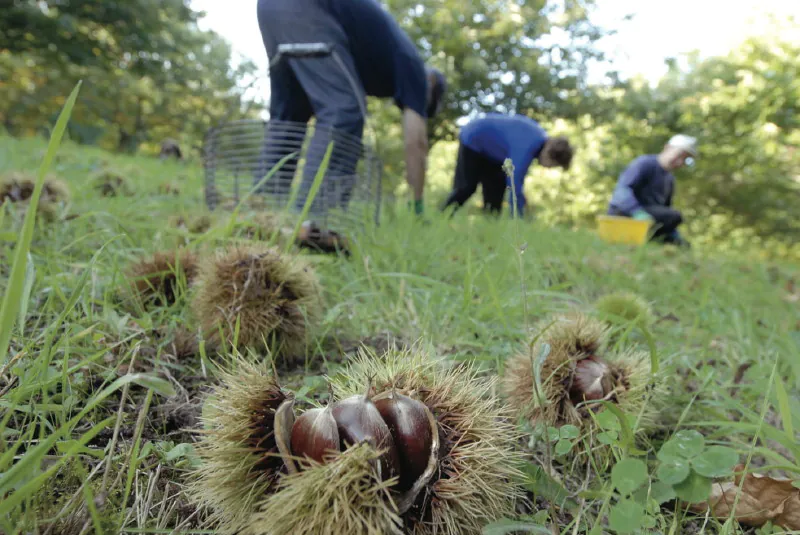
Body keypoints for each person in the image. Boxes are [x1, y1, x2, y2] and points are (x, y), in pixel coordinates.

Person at [255, 0, 447, 222]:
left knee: (289, 118)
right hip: (309, 8)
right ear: (431, 85)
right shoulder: (415, 69)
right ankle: (317, 221)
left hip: (271, 8)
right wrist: (418, 205)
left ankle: (259, 213)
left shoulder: (383, 51)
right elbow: (417, 143)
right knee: (343, 110)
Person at [441, 113, 573, 218]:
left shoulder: (537, 141)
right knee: (466, 187)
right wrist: (519, 217)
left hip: (495, 154)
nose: (549, 168)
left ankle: (489, 228)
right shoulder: (528, 145)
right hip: (474, 140)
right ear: (550, 154)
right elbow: (514, 183)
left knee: (495, 194)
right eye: (553, 165)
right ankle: (443, 215)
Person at [607, 134, 698, 247]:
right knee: (675, 216)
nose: (680, 162)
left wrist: (673, 232)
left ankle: (659, 238)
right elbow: (622, 190)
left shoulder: (669, 180)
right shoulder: (644, 163)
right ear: (667, 148)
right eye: (679, 155)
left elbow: (664, 211)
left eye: (685, 159)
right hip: (625, 214)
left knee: (683, 244)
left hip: (649, 221)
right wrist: (636, 212)